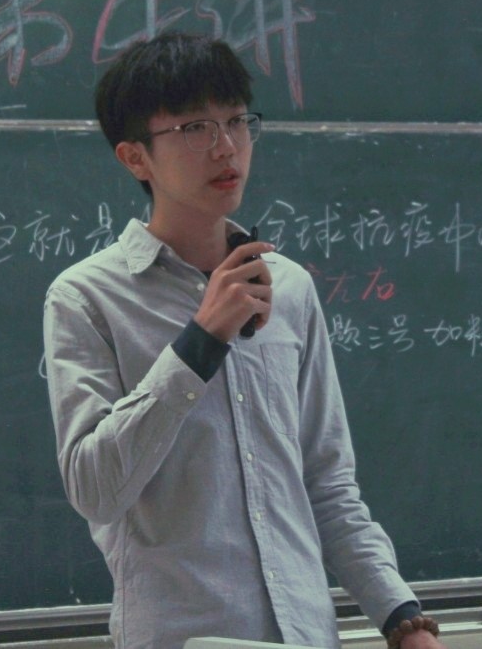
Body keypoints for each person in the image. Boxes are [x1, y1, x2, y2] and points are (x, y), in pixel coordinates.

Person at [43, 32, 446, 649]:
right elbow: (95, 490)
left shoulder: (289, 287)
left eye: (236, 121)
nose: (226, 146)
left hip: (307, 635)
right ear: (135, 158)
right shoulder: (86, 297)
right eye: (194, 128)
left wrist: (401, 618)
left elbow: (327, 484)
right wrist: (200, 340)